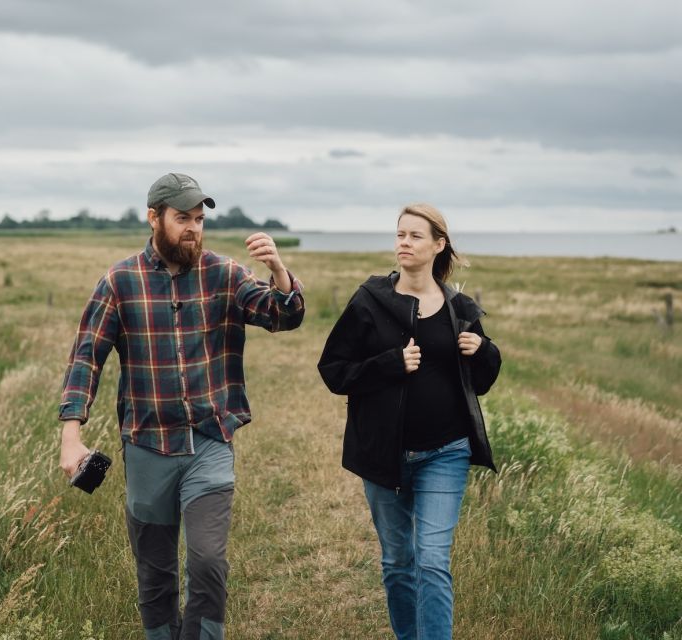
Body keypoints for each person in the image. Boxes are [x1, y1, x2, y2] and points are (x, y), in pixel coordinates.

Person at [58, 172, 305, 640]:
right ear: (154, 218)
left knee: (208, 561)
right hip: (147, 446)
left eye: (199, 219)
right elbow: (86, 357)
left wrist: (278, 272)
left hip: (210, 442)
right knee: (155, 574)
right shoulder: (119, 281)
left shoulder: (225, 273)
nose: (193, 228)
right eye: (182, 218)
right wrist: (71, 434)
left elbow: (282, 315)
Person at [317, 203, 501, 640]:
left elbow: (485, 380)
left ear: (439, 245)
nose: (403, 242)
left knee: (433, 560)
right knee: (399, 561)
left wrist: (485, 350)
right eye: (400, 234)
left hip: (447, 452)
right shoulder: (370, 301)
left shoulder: (460, 307)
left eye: (415, 236)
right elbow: (334, 371)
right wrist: (389, 364)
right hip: (384, 454)